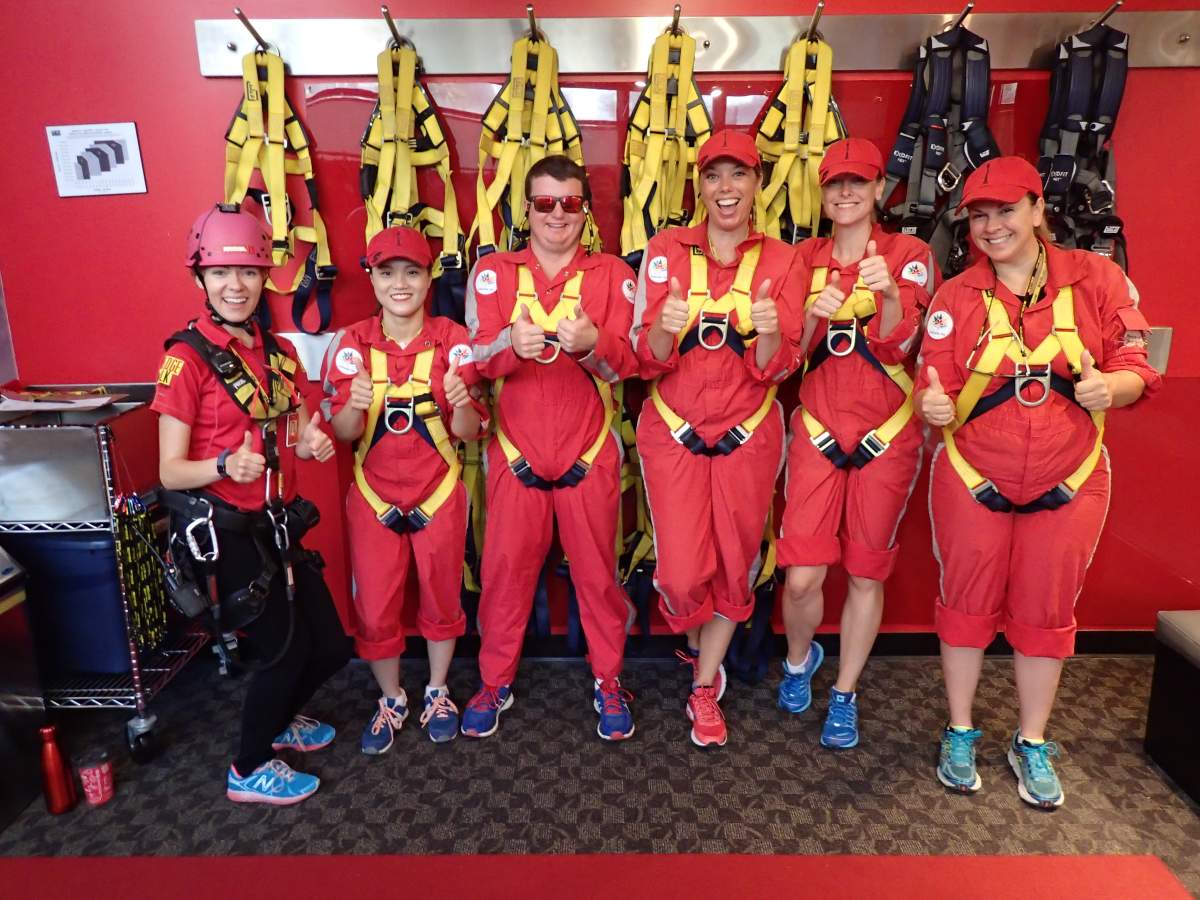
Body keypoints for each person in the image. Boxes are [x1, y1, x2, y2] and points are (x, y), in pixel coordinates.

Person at [914, 156, 1160, 808]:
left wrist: (1112, 386)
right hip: (972, 476)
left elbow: (1139, 365)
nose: (993, 227)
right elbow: (930, 381)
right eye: (980, 215)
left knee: (1046, 612)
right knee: (964, 606)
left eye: (1006, 210)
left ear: (1036, 210)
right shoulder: (956, 296)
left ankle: (1031, 739)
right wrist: (932, 407)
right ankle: (960, 727)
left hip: (1071, 480)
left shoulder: (1099, 280)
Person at [154, 204, 350, 805]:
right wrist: (221, 465)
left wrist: (314, 443)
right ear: (199, 280)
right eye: (219, 274)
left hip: (277, 527)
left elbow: (299, 432)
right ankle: (248, 766)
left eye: (246, 274)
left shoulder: (278, 355)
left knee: (332, 647)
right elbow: (168, 470)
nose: (234, 286)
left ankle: (279, 719)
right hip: (227, 532)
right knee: (283, 654)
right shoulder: (185, 360)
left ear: (265, 277)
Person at [631, 129, 805, 748]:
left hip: (748, 432)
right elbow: (641, 357)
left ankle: (704, 686)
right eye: (714, 176)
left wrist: (766, 333)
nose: (726, 189)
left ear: (759, 184)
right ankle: (696, 640)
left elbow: (781, 367)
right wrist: (663, 330)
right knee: (680, 575)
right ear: (698, 186)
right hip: (673, 431)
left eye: (739, 176)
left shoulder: (786, 261)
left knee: (736, 564)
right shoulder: (665, 249)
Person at [463, 154, 640, 741]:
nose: (557, 214)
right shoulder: (492, 273)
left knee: (599, 578)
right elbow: (474, 360)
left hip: (588, 454)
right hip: (515, 455)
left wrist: (591, 344)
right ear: (526, 210)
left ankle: (609, 680)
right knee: (505, 574)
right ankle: (494, 681)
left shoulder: (613, 274)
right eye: (544, 203)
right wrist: (510, 344)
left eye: (569, 202)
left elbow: (628, 369)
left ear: (585, 207)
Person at [776, 138, 936, 749]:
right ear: (822, 193)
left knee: (866, 572)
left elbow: (905, 346)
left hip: (887, 431)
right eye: (834, 184)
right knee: (801, 577)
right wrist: (815, 316)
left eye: (858, 183)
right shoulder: (800, 258)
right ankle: (799, 662)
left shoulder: (909, 254)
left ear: (877, 190)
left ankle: (844, 693)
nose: (846, 193)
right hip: (817, 428)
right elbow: (784, 360)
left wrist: (889, 293)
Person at [324, 226, 487, 752]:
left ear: (429, 277)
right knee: (374, 608)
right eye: (387, 272)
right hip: (372, 500)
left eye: (412, 272)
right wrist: (353, 406)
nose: (400, 284)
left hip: (438, 493)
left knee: (442, 596)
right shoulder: (351, 344)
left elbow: (468, 431)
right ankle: (391, 696)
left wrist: (461, 400)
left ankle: (437, 689)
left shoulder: (452, 339)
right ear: (371, 278)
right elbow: (346, 435)